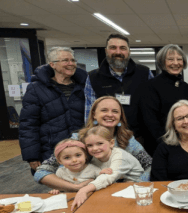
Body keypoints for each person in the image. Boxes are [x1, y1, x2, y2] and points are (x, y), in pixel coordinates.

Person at [34, 96, 152, 191]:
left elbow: (149, 166)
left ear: (120, 117)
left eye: (115, 111)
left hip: (119, 191)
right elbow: (42, 172)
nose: (110, 115)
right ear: (94, 115)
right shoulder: (77, 140)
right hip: (84, 192)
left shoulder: (127, 139)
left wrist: (135, 184)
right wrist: (75, 187)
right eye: (104, 110)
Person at [19, 47, 87, 175]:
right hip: (52, 150)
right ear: (52, 64)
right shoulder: (36, 89)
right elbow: (28, 124)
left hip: (82, 150)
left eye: (73, 60)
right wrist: (32, 155)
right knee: (59, 190)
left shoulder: (85, 86)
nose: (71, 64)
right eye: (65, 60)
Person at [84, 33, 154, 139]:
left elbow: (153, 106)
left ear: (128, 51)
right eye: (113, 48)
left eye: (122, 48)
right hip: (107, 137)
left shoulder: (145, 73)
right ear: (106, 51)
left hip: (141, 136)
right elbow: (89, 113)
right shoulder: (93, 77)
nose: (118, 52)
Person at [71, 126, 145, 210]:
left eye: (100, 143)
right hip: (114, 188)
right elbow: (92, 175)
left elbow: (109, 176)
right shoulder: (96, 158)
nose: (95, 148)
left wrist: (83, 190)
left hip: (137, 190)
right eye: (89, 145)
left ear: (111, 143)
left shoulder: (120, 156)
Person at [140, 44, 188, 155]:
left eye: (179, 59)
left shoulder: (185, 87)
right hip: (160, 144)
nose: (176, 63)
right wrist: (167, 143)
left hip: (184, 141)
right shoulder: (151, 86)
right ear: (162, 62)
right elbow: (150, 121)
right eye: (170, 59)